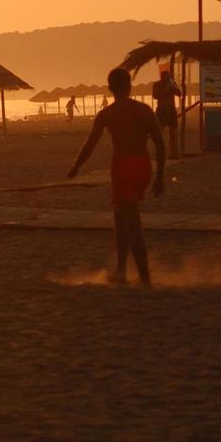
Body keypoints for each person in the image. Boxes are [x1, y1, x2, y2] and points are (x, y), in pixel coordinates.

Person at [67, 67, 166, 286]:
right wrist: (160, 175)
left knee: (133, 223)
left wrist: (76, 166)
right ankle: (121, 270)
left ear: (110, 88)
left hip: (123, 167)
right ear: (129, 86)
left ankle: (145, 278)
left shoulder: (107, 114)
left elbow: (90, 145)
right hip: (143, 166)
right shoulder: (144, 110)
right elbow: (160, 143)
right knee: (120, 216)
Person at [152, 68, 181, 151]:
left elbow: (179, 93)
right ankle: (160, 150)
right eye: (166, 77)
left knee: (173, 131)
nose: (167, 79)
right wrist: (165, 89)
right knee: (160, 131)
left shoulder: (172, 83)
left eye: (168, 77)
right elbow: (155, 96)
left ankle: (173, 152)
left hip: (171, 108)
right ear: (161, 77)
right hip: (161, 108)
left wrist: (172, 86)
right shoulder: (157, 84)